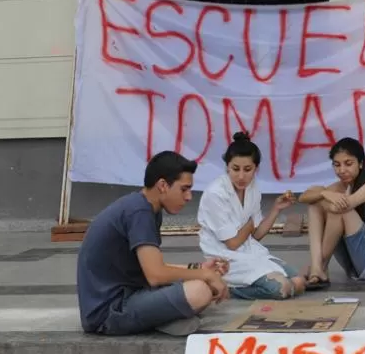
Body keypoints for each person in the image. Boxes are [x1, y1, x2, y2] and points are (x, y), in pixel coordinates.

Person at [77, 151, 229, 337]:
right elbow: (156, 275)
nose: (189, 197)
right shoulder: (139, 212)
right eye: (184, 189)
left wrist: (199, 268)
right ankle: (161, 319)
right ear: (163, 185)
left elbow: (151, 267)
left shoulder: (146, 207)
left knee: (204, 283)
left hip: (130, 294)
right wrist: (204, 274)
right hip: (108, 312)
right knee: (200, 291)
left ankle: (161, 317)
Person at [197, 132, 306, 299]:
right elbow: (233, 243)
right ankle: (223, 289)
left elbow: (255, 236)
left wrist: (276, 209)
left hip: (251, 253)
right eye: (235, 169)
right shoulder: (215, 194)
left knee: (299, 281)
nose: (241, 176)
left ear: (256, 168)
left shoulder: (253, 188)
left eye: (247, 169)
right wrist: (250, 223)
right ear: (227, 166)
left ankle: (257, 282)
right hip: (225, 259)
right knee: (282, 288)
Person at [299, 138, 365, 289]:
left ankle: (318, 267)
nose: (342, 170)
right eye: (337, 165)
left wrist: (325, 195)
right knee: (315, 204)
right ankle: (317, 267)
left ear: (360, 163)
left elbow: (340, 208)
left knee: (338, 210)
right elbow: (303, 197)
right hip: (357, 264)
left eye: (348, 163)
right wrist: (325, 193)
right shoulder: (341, 186)